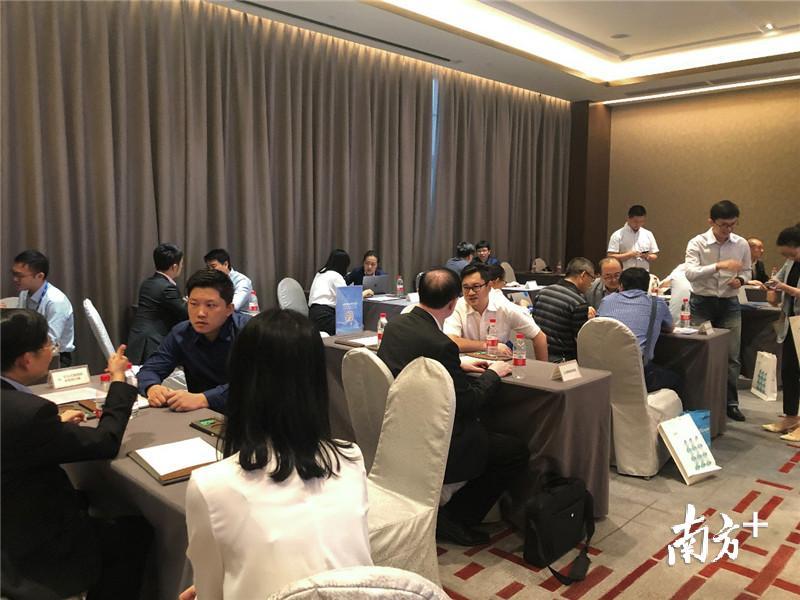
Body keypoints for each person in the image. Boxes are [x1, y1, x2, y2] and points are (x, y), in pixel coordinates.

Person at [180, 309, 371, 600]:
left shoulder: (210, 486)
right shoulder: (351, 458)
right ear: (317, 380)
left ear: (241, 381)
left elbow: (210, 592)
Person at [1, 309, 150, 600]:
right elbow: (104, 442)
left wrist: (52, 427)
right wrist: (119, 380)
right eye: (48, 344)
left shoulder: (23, 411)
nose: (53, 350)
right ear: (26, 359)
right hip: (31, 543)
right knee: (134, 532)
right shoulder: (28, 413)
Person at [377, 269, 528, 547]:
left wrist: (458, 364)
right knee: (514, 451)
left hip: (400, 426)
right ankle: (456, 518)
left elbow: (418, 365)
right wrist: (493, 374)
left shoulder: (396, 326)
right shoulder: (441, 344)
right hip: (436, 437)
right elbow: (467, 403)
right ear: (452, 303)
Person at [137, 269, 250, 412]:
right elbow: (151, 369)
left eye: (210, 305)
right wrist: (152, 387)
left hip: (247, 416)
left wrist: (204, 399)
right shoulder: (181, 333)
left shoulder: (248, 332)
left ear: (229, 309)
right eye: (194, 304)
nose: (200, 313)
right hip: (200, 415)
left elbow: (254, 384)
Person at [685, 200, 752, 422]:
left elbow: (748, 271)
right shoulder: (697, 242)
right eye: (724, 225)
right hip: (701, 303)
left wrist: (741, 280)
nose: (728, 229)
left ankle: (731, 403)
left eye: (733, 224)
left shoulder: (741, 244)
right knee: (701, 352)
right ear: (711, 222)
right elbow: (690, 273)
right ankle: (700, 401)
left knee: (732, 355)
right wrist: (718, 266)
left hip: (729, 303)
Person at [597, 268, 682, 395]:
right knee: (677, 379)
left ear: (621, 285)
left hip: (603, 368)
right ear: (647, 286)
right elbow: (670, 328)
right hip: (638, 372)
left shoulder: (607, 300)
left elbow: (598, 323)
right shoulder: (657, 303)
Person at [444, 264, 548, 361]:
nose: (470, 293)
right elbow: (452, 341)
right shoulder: (457, 306)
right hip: (468, 365)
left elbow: (539, 337)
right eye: (466, 287)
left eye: (476, 287)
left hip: (499, 366)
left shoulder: (504, 307)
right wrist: (489, 345)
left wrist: (543, 370)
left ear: (489, 286)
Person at [763, 224, 800, 442]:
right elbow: (776, 282)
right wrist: (771, 287)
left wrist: (783, 287)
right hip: (791, 324)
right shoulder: (790, 263)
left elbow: (787, 288)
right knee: (789, 371)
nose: (789, 258)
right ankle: (790, 417)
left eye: (792, 254)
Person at [10, 250, 75, 366]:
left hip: (54, 356)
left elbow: (49, 341)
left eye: (20, 276)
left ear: (39, 276)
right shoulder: (24, 293)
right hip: (30, 351)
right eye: (13, 274)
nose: (15, 279)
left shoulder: (56, 301)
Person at [127, 243, 188, 364]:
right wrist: (191, 304)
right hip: (152, 342)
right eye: (181, 264)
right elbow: (185, 314)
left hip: (138, 338)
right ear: (174, 266)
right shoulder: (167, 288)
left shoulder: (147, 283)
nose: (182, 267)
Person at [530, 257, 596, 362]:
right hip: (563, 362)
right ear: (583, 275)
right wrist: (590, 322)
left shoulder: (543, 292)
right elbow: (582, 342)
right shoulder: (578, 302)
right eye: (592, 278)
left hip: (537, 355)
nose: (591, 284)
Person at [308, 249, 372, 335]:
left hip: (312, 315)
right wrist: (364, 293)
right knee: (356, 327)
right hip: (325, 316)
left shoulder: (320, 273)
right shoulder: (336, 276)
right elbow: (348, 300)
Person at [607, 205, 659, 270]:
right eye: (635, 221)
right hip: (625, 272)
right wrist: (629, 255)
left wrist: (647, 256)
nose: (638, 224)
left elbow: (654, 255)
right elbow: (611, 257)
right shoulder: (617, 234)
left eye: (641, 221)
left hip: (643, 272)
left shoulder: (648, 234)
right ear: (628, 218)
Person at [204, 248, 254, 313]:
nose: (210, 270)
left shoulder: (242, 281)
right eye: (208, 268)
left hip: (243, 316)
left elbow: (234, 306)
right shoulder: (212, 280)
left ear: (225, 264)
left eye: (213, 266)